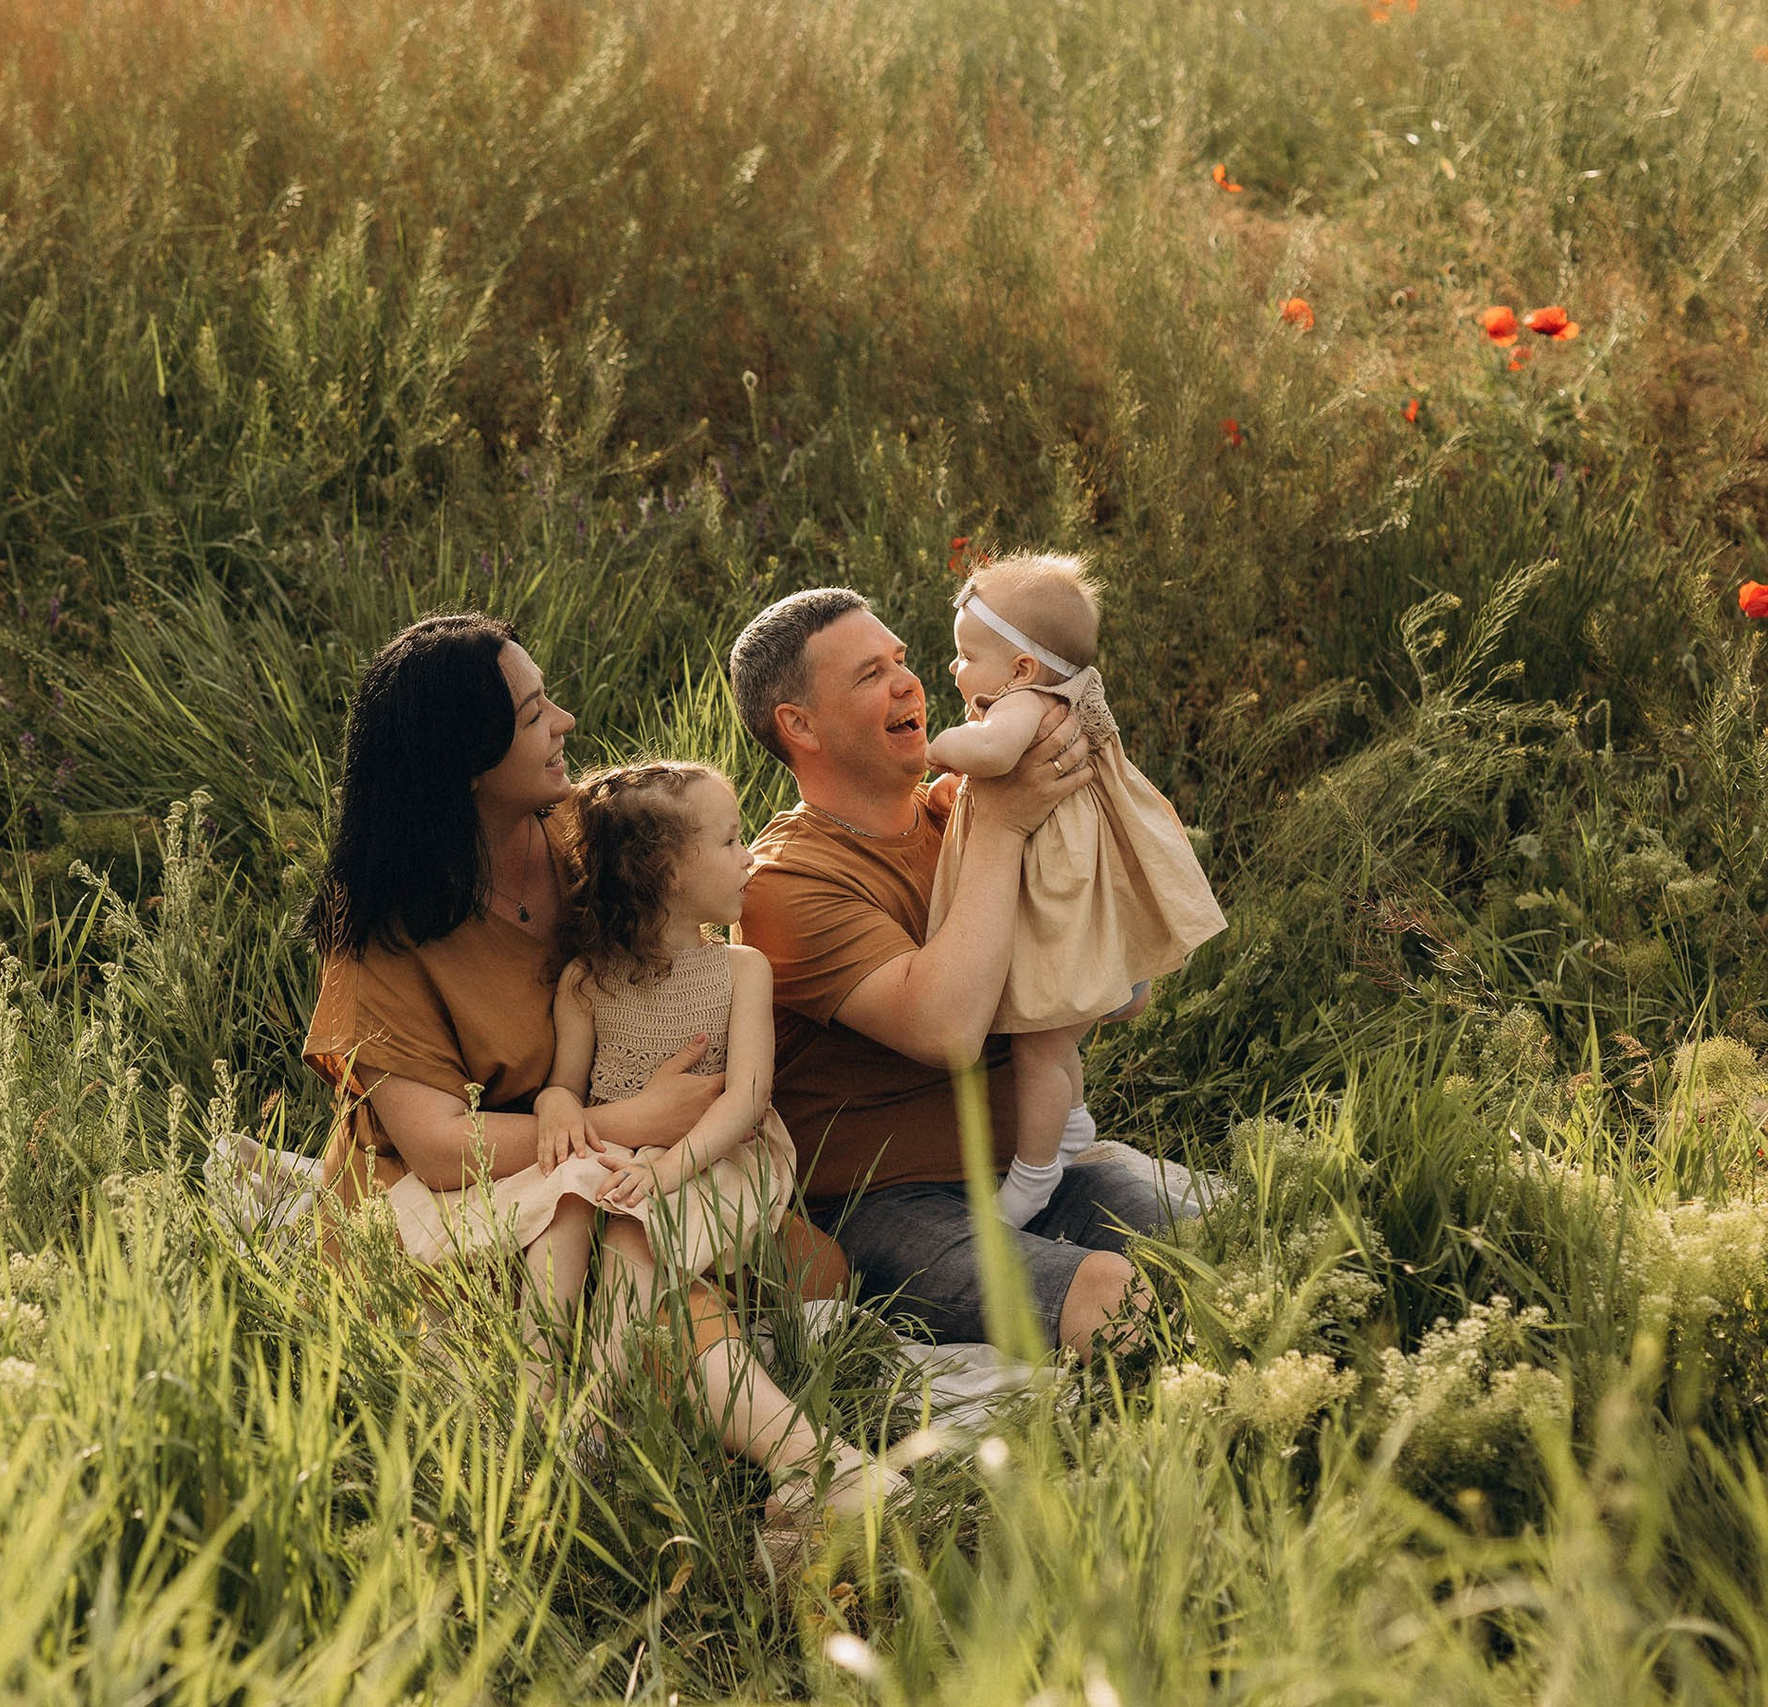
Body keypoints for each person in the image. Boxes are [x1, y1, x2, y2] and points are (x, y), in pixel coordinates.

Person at [302, 616, 895, 1524]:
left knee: (809, 1265)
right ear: (468, 762)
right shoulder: (383, 927)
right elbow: (435, 1147)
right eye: (536, 713)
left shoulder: (590, 840)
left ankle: (674, 1428)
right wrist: (635, 1124)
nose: (566, 723)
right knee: (659, 1279)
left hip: (615, 1152)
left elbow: (709, 879)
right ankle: (818, 1469)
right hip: (476, 1190)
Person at [729, 587, 1172, 1357]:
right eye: (871, 674)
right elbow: (947, 1029)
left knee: (1227, 1242)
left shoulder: (957, 812)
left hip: (1026, 1171)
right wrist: (1006, 824)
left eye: (902, 660)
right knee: (1110, 1294)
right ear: (799, 725)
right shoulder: (783, 883)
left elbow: (1124, 994)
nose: (909, 683)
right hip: (882, 1203)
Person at [924, 555, 1226, 1228]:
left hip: (1053, 907)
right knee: (1057, 1044)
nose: (954, 669)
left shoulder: (1025, 708)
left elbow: (995, 755)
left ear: (1023, 668)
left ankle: (1032, 1179)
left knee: (1039, 1044)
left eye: (967, 655)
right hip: (1072, 899)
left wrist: (938, 748)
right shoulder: (1061, 698)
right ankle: (1071, 1130)